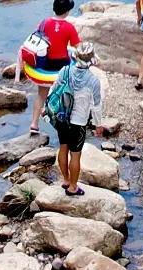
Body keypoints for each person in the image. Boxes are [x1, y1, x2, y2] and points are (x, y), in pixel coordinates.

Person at [43, 44, 105, 194]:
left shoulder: (65, 70)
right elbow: (96, 106)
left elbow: (54, 89)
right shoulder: (93, 81)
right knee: (75, 154)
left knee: (63, 147)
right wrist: (98, 125)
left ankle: (65, 179)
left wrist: (46, 108)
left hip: (62, 117)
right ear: (91, 60)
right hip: (79, 121)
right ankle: (73, 187)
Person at [20, 0, 81, 134]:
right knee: (67, 93)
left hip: (46, 64)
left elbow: (36, 37)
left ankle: (34, 124)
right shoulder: (69, 27)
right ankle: (66, 121)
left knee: (41, 94)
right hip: (62, 66)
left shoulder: (44, 22)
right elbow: (78, 47)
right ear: (67, 11)